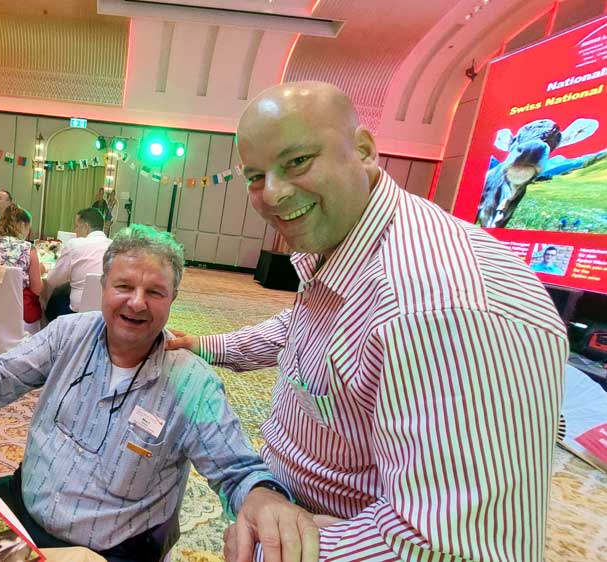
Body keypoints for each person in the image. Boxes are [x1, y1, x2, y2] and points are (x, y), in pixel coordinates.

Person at [167, 82, 568, 562]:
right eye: (256, 176)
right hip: (291, 504)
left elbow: (453, 549)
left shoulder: (443, 307)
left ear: (364, 150)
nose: (272, 193)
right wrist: (207, 345)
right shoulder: (344, 242)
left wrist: (266, 550)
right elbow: (302, 329)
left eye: (298, 161)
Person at [0, 225, 296, 562]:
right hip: (23, 506)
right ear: (102, 288)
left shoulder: (191, 383)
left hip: (109, 551)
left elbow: (236, 468)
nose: (136, 302)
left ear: (172, 299)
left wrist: (261, 496)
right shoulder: (68, 334)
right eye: (124, 286)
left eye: (155, 292)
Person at [43, 207, 112, 322]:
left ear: (86, 227)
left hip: (76, 313)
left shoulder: (75, 244)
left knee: (52, 303)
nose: (75, 231)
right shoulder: (114, 247)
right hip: (105, 314)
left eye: (76, 226)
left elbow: (52, 280)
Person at [0, 205, 43, 324]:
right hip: (16, 310)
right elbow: (37, 290)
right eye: (28, 228)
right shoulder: (28, 248)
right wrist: (40, 270)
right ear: (22, 225)